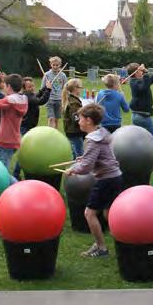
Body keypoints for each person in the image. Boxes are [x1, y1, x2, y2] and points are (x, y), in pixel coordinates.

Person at [65, 103, 122, 258]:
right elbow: (99, 156)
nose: (78, 122)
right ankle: (126, 238)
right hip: (115, 177)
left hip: (106, 179)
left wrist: (73, 169)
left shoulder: (92, 139)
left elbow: (86, 168)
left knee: (89, 213)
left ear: (89, 120)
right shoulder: (101, 132)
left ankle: (101, 248)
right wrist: (84, 158)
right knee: (107, 212)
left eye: (81, 119)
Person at [13, 76, 52, 179]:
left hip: (27, 127)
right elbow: (40, 101)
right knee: (25, 152)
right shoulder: (27, 97)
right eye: (29, 87)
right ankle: (16, 173)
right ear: (24, 88)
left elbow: (37, 95)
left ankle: (20, 172)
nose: (32, 88)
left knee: (26, 151)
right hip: (25, 127)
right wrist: (48, 90)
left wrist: (43, 89)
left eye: (32, 85)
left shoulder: (28, 95)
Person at [128, 63, 153, 142]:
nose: (142, 72)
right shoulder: (135, 82)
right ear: (136, 72)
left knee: (139, 140)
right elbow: (145, 86)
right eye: (141, 71)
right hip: (142, 116)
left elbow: (148, 82)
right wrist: (145, 72)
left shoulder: (137, 81)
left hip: (138, 115)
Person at [41, 56, 67, 129]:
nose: (55, 67)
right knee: (51, 118)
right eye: (53, 65)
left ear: (60, 65)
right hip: (50, 99)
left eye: (57, 65)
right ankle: (49, 133)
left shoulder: (63, 75)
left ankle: (55, 134)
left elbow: (65, 88)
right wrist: (46, 87)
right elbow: (42, 88)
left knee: (56, 120)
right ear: (50, 65)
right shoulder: (47, 75)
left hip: (59, 99)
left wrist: (64, 99)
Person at [62, 78, 85, 159]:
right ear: (75, 89)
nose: (81, 89)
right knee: (80, 156)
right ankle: (77, 171)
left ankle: (74, 170)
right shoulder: (74, 103)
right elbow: (76, 118)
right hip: (75, 131)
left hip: (71, 130)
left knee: (75, 154)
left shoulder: (72, 100)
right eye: (80, 87)